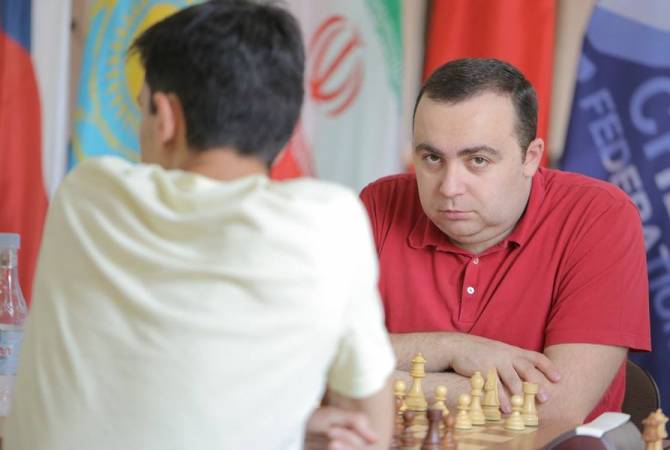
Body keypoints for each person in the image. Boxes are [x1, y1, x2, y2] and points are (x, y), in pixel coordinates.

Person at [5, 2, 395, 450]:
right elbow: (368, 427)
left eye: (142, 109)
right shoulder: (329, 224)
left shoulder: (87, 195)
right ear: (287, 128)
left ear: (166, 118)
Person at [360, 58, 651, 423]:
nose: (449, 187)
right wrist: (450, 348)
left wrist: (375, 383)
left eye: (478, 160)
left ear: (531, 157)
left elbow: (556, 407)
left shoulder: (600, 215)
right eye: (432, 158)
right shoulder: (378, 204)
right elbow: (316, 351)